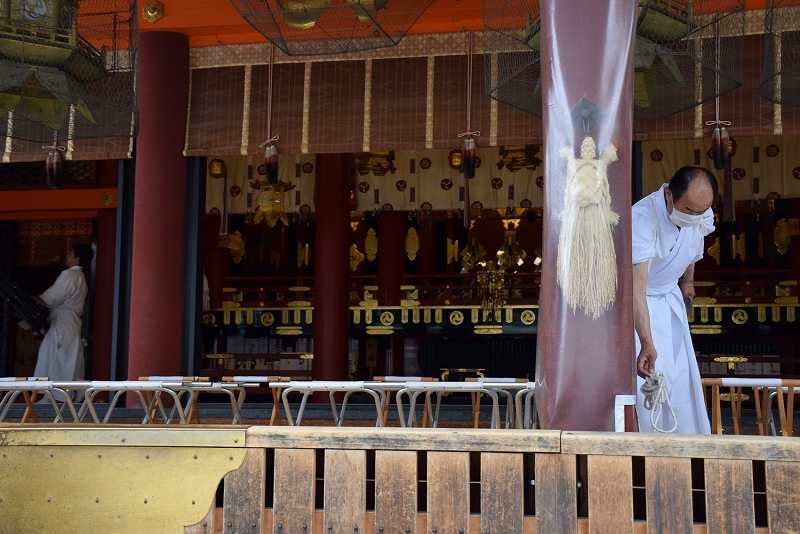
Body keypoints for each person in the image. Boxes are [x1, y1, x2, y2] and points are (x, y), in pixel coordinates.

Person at [632, 166, 717, 434]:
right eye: (689, 211)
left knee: (680, 377)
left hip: (670, 298)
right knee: (649, 379)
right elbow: (637, 287)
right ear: (668, 194)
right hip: (641, 304)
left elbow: (693, 244)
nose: (695, 216)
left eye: (700, 211)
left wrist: (687, 281)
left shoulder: (701, 209)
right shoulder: (642, 219)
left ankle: (686, 443)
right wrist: (646, 342)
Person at [33, 244, 93, 388]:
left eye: (70, 254)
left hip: (62, 324)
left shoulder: (70, 275)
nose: (67, 256)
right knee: (67, 362)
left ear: (77, 259)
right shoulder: (81, 277)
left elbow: (52, 298)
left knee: (55, 361)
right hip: (71, 324)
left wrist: (38, 299)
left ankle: (53, 396)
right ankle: (63, 396)